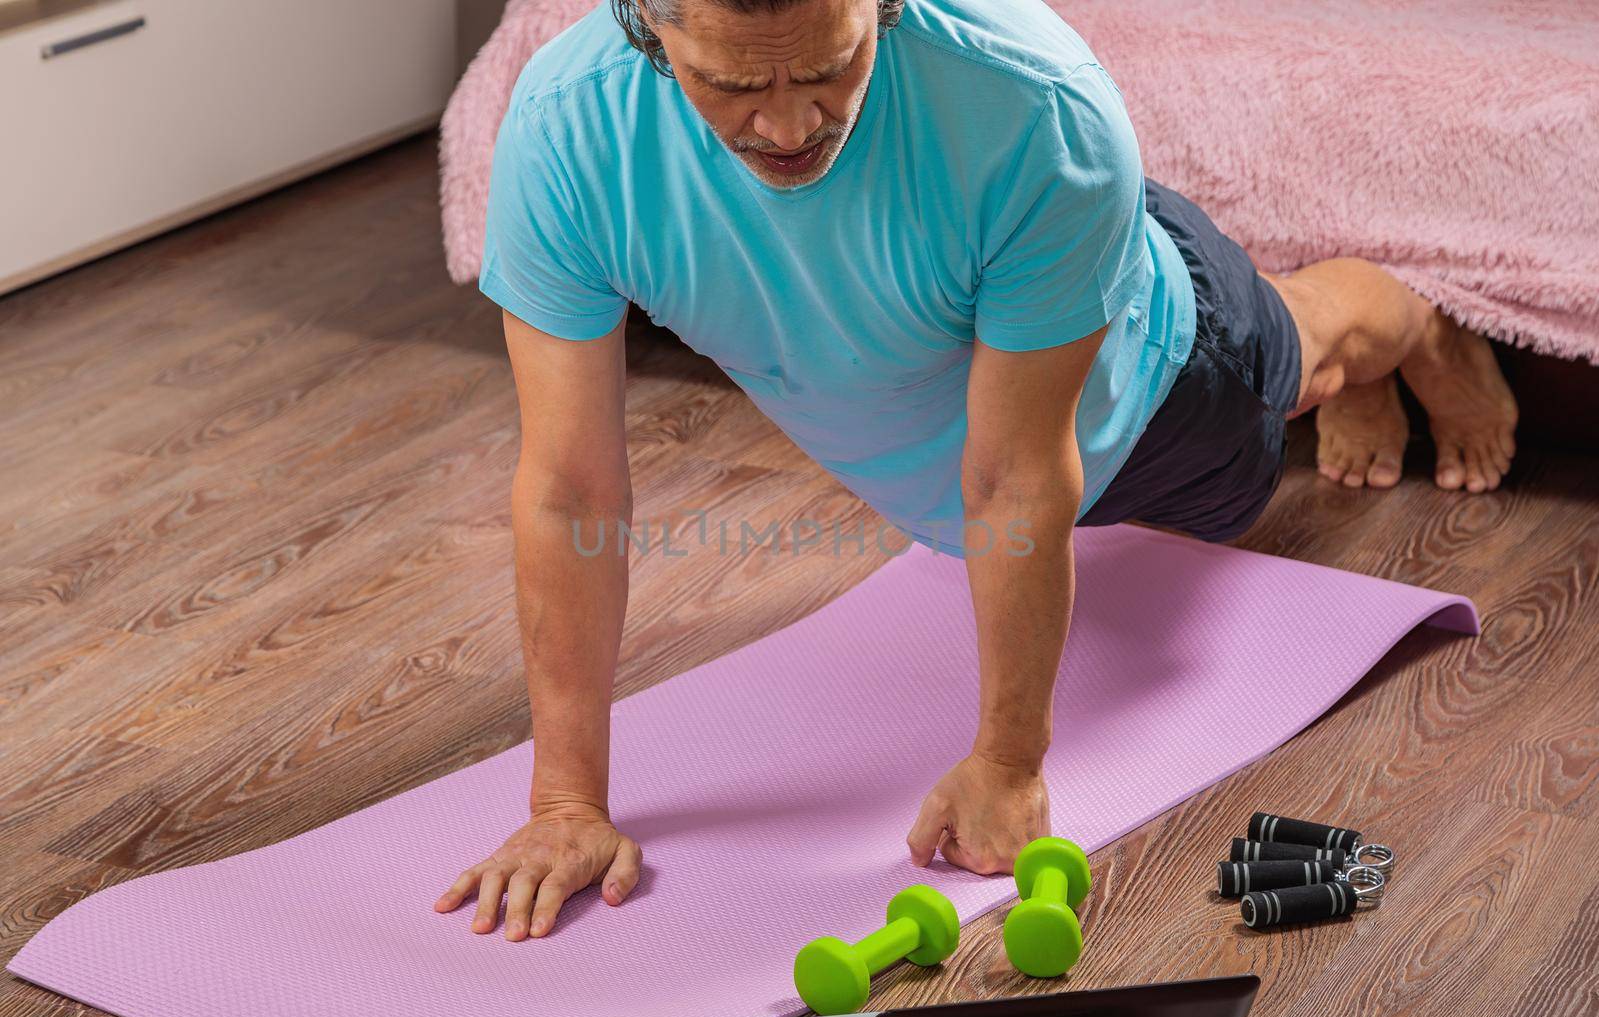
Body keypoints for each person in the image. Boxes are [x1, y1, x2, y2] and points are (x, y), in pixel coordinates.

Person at [434, 0, 1518, 940]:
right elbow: (572, 487)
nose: (789, 123)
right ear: (645, 26)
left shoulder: (1034, 101)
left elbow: (1011, 482)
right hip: (1000, 295)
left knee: (1301, 353)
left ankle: (1414, 324)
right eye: (731, 84)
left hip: (1159, 389)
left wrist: (1007, 758)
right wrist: (566, 798)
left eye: (828, 68)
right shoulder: (565, 128)